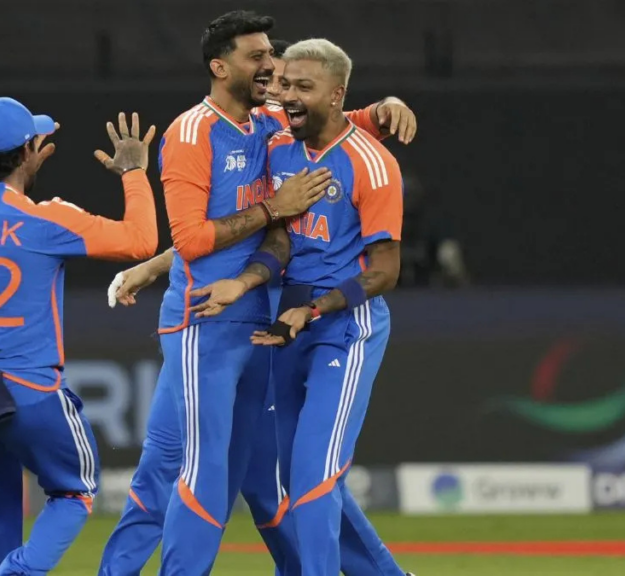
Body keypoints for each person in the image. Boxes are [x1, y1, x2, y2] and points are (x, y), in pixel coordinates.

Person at [99, 20, 415, 576]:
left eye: (277, 61)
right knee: (185, 468)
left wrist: (385, 107)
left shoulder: (272, 124)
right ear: (221, 67)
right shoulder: (199, 133)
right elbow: (200, 237)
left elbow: (342, 125)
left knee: (282, 479)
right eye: (260, 59)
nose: (273, 71)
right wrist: (270, 211)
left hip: (268, 318)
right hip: (211, 320)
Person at [189, 39, 414, 576]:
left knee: (314, 477)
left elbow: (385, 272)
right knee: (296, 478)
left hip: (345, 325)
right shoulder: (279, 150)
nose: (287, 95)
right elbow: (281, 240)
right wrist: (244, 282)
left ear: (336, 95)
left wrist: (313, 311)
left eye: (303, 87)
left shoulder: (372, 163)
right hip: (289, 321)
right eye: (284, 83)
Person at [0, 97, 158, 576]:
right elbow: (141, 241)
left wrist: (19, 171)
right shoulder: (48, 220)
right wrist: (134, 172)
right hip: (27, 386)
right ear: (28, 151)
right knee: (75, 489)